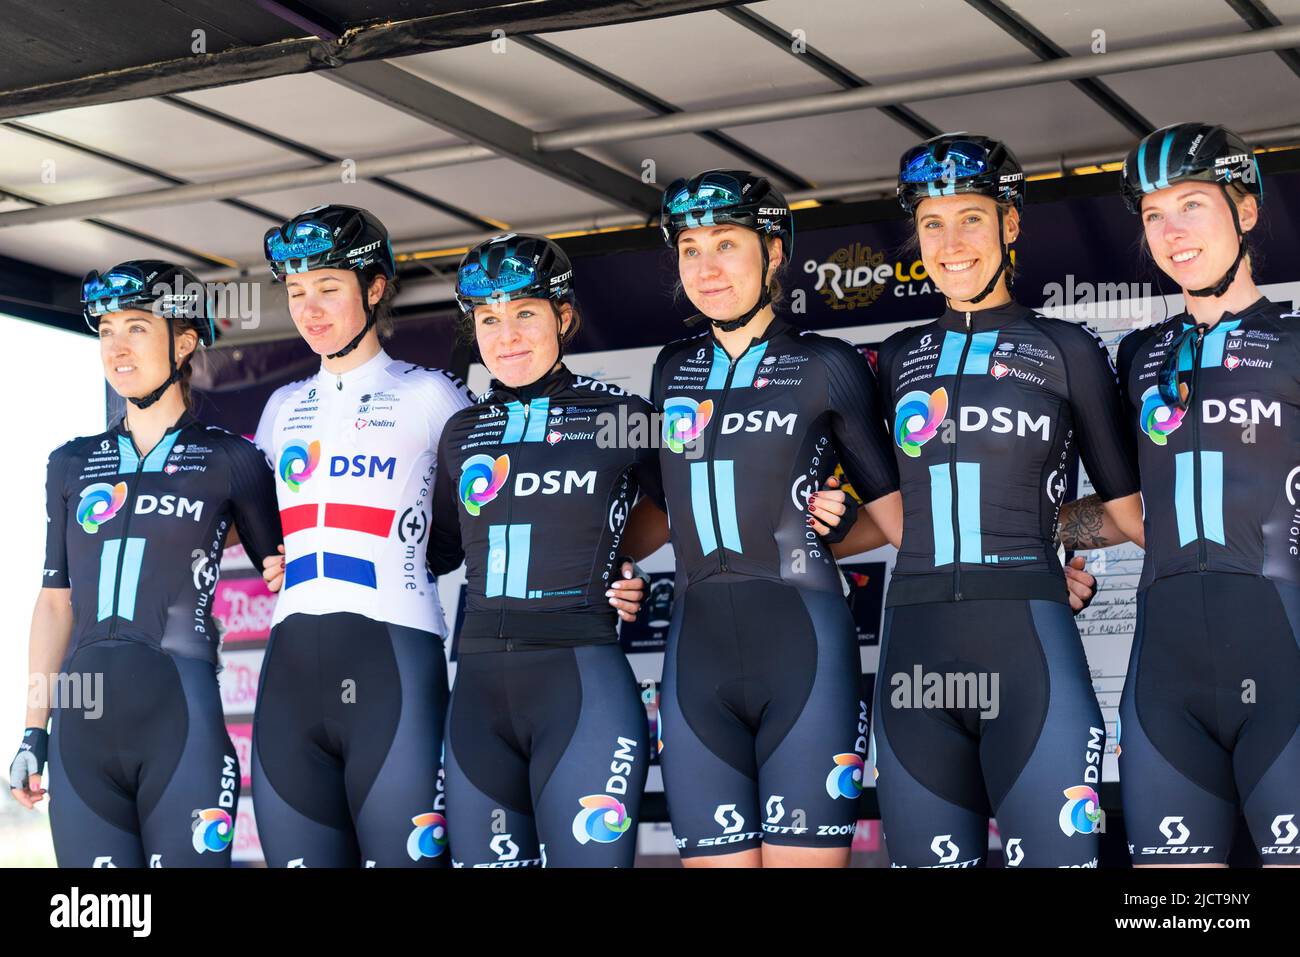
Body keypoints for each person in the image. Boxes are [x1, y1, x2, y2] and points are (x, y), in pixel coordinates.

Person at [865, 134, 1144, 868]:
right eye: (932, 222)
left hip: (1028, 645)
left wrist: (1038, 537)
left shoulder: (1065, 347)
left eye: (972, 219)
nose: (951, 243)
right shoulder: (892, 358)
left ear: (1010, 225)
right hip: (915, 656)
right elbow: (889, 515)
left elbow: (1127, 511)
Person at [623, 169, 903, 867]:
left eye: (726, 244)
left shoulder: (827, 365)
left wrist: (832, 532)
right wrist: (586, 567)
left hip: (804, 654)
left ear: (774, 253)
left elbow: (899, 518)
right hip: (694, 661)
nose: (706, 266)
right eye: (690, 248)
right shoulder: (672, 369)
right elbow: (665, 512)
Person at [1065, 123, 1299, 867]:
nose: (1172, 231)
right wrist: (1038, 533)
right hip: (1164, 676)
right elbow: (1133, 512)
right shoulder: (1140, 355)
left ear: (1247, 210)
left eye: (1192, 204)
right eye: (1154, 214)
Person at [9, 261, 281, 867]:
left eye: (136, 327)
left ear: (184, 341)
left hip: (181, 721)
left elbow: (284, 569)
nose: (117, 348)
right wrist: (33, 730)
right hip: (80, 730)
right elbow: (56, 601)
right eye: (106, 331)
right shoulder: (70, 464)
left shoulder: (232, 460)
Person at [253, 204, 471, 867]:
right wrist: (270, 556)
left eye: (328, 287)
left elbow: (504, 507)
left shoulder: (430, 394)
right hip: (289, 666)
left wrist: (609, 569)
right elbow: (250, 526)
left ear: (375, 288)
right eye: (296, 291)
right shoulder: (281, 407)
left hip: (394, 656)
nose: (310, 308)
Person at [433, 233, 659, 868]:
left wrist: (620, 557)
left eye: (525, 313)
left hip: (582, 683)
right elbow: (438, 551)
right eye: (488, 319)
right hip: (478, 690)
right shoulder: (460, 430)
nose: (506, 336)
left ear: (563, 317)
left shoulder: (623, 414)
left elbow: (682, 513)